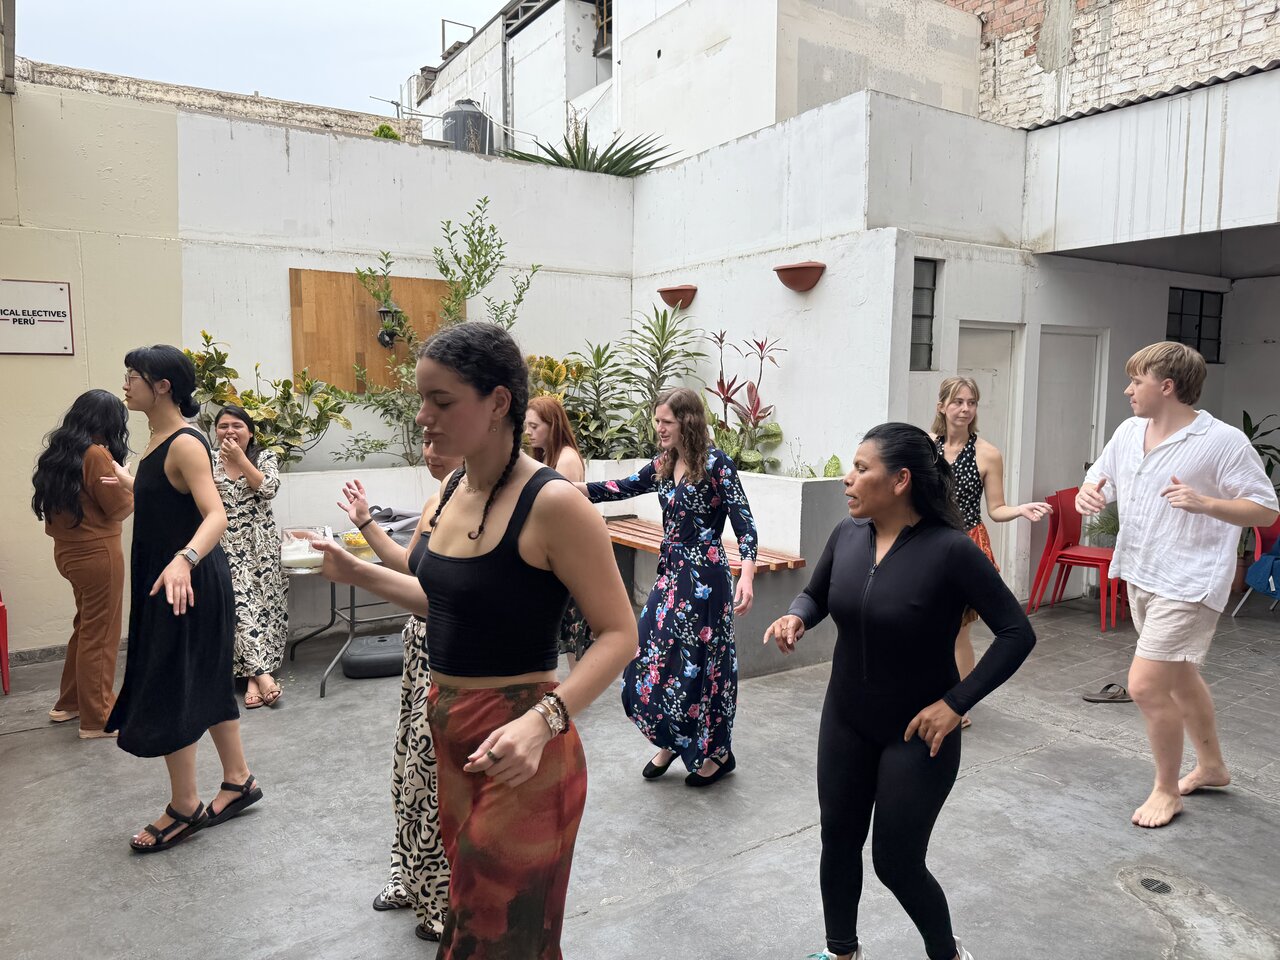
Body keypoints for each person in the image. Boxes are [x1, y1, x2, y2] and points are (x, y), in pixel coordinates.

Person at [311, 322, 637, 959]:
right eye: (421, 400)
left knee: (495, 936)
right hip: (452, 729)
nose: (423, 417)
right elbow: (444, 604)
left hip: (524, 744)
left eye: (441, 400)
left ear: (497, 403)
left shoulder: (554, 504)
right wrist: (356, 571)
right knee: (474, 920)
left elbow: (620, 633)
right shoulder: (452, 488)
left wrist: (542, 723)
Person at [764, 422, 1035, 960]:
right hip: (846, 719)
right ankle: (842, 952)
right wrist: (796, 616)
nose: (848, 478)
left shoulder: (951, 550)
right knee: (838, 840)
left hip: (917, 734)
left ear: (900, 480)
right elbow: (816, 594)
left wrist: (956, 704)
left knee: (896, 861)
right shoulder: (847, 534)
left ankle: (947, 954)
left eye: (861, 468)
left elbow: (1016, 633)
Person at [1077, 342, 1278, 829]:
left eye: (1136, 381)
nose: (1127, 390)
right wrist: (1089, 493)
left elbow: (1265, 509)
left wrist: (1206, 503)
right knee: (1181, 676)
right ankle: (1212, 767)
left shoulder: (1223, 441)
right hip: (1142, 571)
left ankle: (1166, 791)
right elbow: (1102, 478)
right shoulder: (1129, 431)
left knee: (1145, 686)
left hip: (1190, 580)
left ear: (1166, 386)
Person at [104, 345, 261, 852]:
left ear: (163, 386)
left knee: (175, 682)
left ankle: (185, 806)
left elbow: (216, 515)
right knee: (207, 679)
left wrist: (184, 559)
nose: (125, 384)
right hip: (171, 580)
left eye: (133, 376)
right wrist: (131, 482)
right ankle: (238, 780)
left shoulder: (186, 443)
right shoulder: (157, 440)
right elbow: (168, 502)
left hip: (186, 581)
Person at [580, 386, 758, 786]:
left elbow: (745, 525)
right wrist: (564, 488)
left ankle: (717, 753)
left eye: (666, 421)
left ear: (687, 422)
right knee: (646, 653)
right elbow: (620, 487)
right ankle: (670, 738)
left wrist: (746, 574)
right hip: (672, 574)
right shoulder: (663, 463)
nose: (659, 428)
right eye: (657, 421)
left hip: (707, 580)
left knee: (703, 667)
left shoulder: (716, 464)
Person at [335, 435, 461, 943]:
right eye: (424, 439)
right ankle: (411, 877)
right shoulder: (436, 500)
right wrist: (366, 522)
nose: (429, 448)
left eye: (439, 438)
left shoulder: (478, 506)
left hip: (451, 658)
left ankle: (443, 900)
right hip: (419, 651)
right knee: (408, 771)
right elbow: (411, 568)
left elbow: (444, 600)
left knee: (434, 780)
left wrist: (354, 572)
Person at [932, 376, 1051, 728]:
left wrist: (1020, 510)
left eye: (971, 402)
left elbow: (996, 509)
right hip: (929, 543)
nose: (965, 409)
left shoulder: (987, 453)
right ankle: (930, 692)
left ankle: (959, 705)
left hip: (967, 545)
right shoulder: (925, 447)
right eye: (958, 402)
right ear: (942, 406)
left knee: (958, 631)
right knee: (927, 625)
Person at [31, 389, 134, 739]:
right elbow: (119, 508)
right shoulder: (96, 454)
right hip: (98, 554)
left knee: (86, 627)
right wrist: (129, 481)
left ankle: (70, 703)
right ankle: (98, 718)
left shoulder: (58, 453)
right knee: (101, 634)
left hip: (68, 553)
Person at [213, 405, 288, 709]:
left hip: (261, 545)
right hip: (224, 545)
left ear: (250, 432)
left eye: (237, 425)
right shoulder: (207, 461)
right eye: (223, 426)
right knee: (240, 607)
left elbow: (268, 489)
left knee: (265, 609)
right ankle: (264, 677)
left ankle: (254, 680)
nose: (229, 431)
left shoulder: (265, 457)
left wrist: (240, 460)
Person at [525, 395, 594, 666]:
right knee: (568, 634)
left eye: (534, 426)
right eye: (527, 426)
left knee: (573, 635)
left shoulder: (565, 460)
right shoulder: (549, 456)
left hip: (569, 558)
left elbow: (562, 516)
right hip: (562, 555)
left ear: (553, 425)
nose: (528, 432)